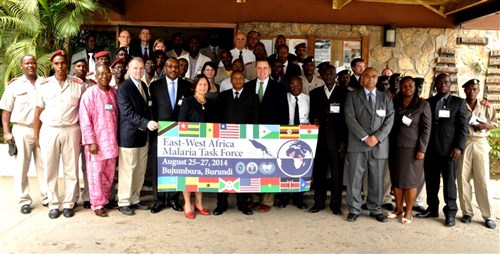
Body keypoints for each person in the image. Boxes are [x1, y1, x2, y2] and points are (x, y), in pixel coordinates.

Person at [33, 50, 86, 219]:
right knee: (51, 168)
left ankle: (69, 203)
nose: (60, 66)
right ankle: (54, 203)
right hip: (50, 130)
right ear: (52, 65)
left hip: (72, 129)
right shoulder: (44, 85)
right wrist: (36, 135)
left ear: (67, 64)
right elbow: (37, 111)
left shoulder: (78, 84)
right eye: (56, 63)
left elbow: (84, 111)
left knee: (71, 169)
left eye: (63, 63)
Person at [344, 67, 394, 223]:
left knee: (377, 179)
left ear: (377, 79)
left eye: (374, 76)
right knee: (354, 178)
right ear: (361, 78)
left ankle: (375, 208)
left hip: (378, 145)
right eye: (367, 76)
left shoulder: (385, 97)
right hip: (358, 144)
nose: (371, 79)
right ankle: (354, 209)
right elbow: (350, 118)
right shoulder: (352, 96)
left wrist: (376, 138)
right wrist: (365, 137)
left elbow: (389, 120)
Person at [417, 73, 467, 227]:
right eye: (439, 82)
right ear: (435, 85)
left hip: (449, 150)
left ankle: (450, 212)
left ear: (450, 84)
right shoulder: (428, 102)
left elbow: (463, 128)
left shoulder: (458, 102)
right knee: (431, 181)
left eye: (446, 82)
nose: (443, 84)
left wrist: (459, 147)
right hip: (431, 149)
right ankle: (432, 208)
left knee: (449, 183)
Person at [0, 54, 48, 214]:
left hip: (42, 130)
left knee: (45, 165)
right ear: (21, 66)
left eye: (33, 62)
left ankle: (47, 197)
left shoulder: (45, 83)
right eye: (27, 63)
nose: (30, 65)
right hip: (22, 129)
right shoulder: (14, 86)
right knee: (21, 167)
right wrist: (7, 132)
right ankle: (24, 200)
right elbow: (6, 111)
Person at [149, 57, 193, 214]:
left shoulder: (187, 86)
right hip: (159, 131)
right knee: (158, 166)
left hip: (179, 133)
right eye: (170, 66)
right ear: (165, 68)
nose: (174, 69)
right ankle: (158, 200)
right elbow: (151, 109)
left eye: (177, 66)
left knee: (176, 166)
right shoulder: (154, 86)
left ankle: (174, 199)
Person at [116, 57, 159, 216]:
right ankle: (124, 201)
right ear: (128, 69)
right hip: (129, 136)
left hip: (142, 136)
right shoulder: (124, 88)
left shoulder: (142, 85)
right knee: (128, 170)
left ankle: (135, 199)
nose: (138, 71)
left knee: (139, 170)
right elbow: (127, 113)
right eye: (135, 68)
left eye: (141, 68)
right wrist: (146, 122)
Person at [245, 59, 288, 213]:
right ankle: (254, 198)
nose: (262, 71)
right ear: (255, 70)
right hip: (252, 133)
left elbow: (284, 112)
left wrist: (281, 133)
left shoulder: (279, 88)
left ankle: (267, 200)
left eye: (265, 68)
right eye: (259, 68)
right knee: (253, 165)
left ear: (270, 70)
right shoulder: (248, 86)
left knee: (270, 166)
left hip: (272, 133)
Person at [387, 76, 431, 224]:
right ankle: (398, 209)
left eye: (410, 85)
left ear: (415, 87)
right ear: (400, 87)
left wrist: (422, 149)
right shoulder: (395, 102)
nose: (407, 88)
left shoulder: (423, 104)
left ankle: (409, 211)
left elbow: (426, 129)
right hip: (395, 147)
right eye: (404, 85)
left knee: (411, 181)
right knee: (397, 180)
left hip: (413, 149)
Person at [214, 70, 259, 216]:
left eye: (240, 78)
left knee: (243, 172)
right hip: (225, 142)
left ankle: (243, 204)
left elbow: (255, 120)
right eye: (235, 78)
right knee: (224, 172)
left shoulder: (253, 97)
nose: (238, 81)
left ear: (244, 80)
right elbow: (218, 118)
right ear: (230, 80)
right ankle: (221, 204)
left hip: (244, 142)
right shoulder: (223, 96)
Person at [79, 64, 119, 217]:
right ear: (95, 77)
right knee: (95, 174)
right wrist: (90, 142)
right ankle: (97, 204)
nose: (104, 76)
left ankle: (106, 199)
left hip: (112, 143)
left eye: (107, 73)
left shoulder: (114, 93)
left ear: (111, 76)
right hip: (97, 143)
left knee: (109, 174)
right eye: (100, 74)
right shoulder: (89, 94)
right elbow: (84, 120)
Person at [457, 79, 497, 229]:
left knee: (483, 180)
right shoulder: (460, 105)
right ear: (465, 90)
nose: (472, 91)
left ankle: (488, 215)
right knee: (462, 178)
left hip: (480, 142)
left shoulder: (486, 106)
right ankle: (467, 212)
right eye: (469, 89)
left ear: (478, 91)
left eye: (475, 89)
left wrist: (484, 125)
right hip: (465, 142)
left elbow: (494, 123)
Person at [308, 65, 347, 215]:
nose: (328, 75)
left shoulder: (344, 94)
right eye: (325, 73)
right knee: (319, 174)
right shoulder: (315, 94)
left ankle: (335, 205)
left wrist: (344, 142)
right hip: (319, 141)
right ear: (321, 76)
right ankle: (319, 202)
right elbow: (311, 114)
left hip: (337, 142)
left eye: (331, 73)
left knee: (337, 176)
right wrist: (315, 119)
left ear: (335, 75)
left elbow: (346, 120)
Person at [177, 74, 216, 219]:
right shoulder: (187, 102)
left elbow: (215, 126)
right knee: (188, 176)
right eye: (200, 84)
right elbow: (181, 123)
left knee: (201, 175)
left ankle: (199, 203)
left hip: (205, 147)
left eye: (205, 84)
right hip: (189, 146)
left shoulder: (211, 103)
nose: (203, 87)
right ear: (194, 86)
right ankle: (187, 204)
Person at [277, 76, 310, 209]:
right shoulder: (282, 99)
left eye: (298, 85)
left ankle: (298, 198)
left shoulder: (308, 99)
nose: (295, 87)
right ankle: (283, 198)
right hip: (286, 135)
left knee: (301, 167)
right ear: (288, 86)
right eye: (292, 85)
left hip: (303, 137)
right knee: (285, 167)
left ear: (302, 85)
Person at [72, 57, 95, 209]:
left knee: (88, 166)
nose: (81, 69)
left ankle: (88, 196)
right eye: (78, 66)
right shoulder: (69, 83)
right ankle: (72, 199)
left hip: (89, 130)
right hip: (73, 129)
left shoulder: (93, 85)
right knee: (72, 165)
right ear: (74, 68)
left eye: (84, 66)